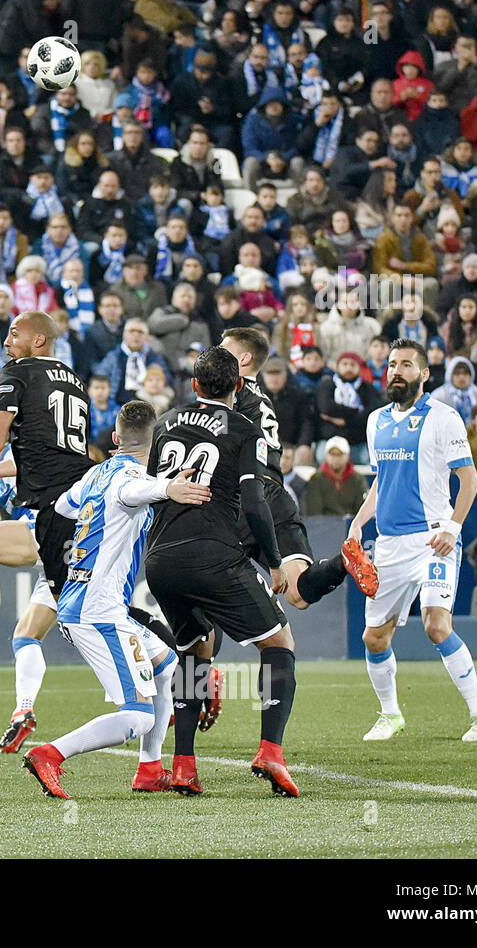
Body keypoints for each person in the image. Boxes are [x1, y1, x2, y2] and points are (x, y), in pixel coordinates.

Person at [22, 399, 211, 798]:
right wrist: (168, 488)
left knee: (168, 668)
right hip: (99, 610)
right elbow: (133, 491)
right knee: (137, 716)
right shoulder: (130, 479)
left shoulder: (95, 475)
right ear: (157, 440)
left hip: (85, 598)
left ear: (115, 438)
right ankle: (50, 754)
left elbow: (62, 505)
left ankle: (148, 770)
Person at [144, 346, 299, 797]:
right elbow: (253, 502)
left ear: (194, 386)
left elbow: (155, 490)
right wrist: (273, 562)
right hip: (212, 554)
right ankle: (270, 750)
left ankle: (184, 765)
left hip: (161, 559)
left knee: (194, 655)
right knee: (279, 644)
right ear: (237, 387)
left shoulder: (165, 421)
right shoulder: (245, 427)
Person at [346, 338, 477, 743]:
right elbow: (381, 482)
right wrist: (358, 523)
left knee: (436, 624)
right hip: (389, 545)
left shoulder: (444, 418)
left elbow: (469, 481)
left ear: (424, 374)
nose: (397, 370)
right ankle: (390, 715)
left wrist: (452, 528)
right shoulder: (376, 420)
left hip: (433, 539)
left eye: (407, 365)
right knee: (374, 637)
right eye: (392, 364)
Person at [221, 328, 373, 610]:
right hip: (274, 496)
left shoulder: (230, 392)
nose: (217, 354)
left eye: (224, 348)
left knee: (202, 583)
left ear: (243, 359)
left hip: (245, 494)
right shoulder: (262, 397)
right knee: (299, 595)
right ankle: (342, 562)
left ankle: (192, 653)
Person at [0, 311, 96, 600]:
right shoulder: (76, 381)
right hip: (84, 499)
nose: (7, 342)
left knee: (77, 611)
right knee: (86, 602)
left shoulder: (17, 371)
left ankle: (159, 644)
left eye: (14, 334)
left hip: (52, 504)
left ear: (39, 339)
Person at [304, 436, 369, 516]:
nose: (336, 458)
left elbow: (362, 508)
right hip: (324, 525)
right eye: (332, 454)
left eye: (339, 454)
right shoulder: (317, 479)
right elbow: (314, 511)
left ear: (347, 456)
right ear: (326, 456)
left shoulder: (358, 479)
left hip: (351, 524)